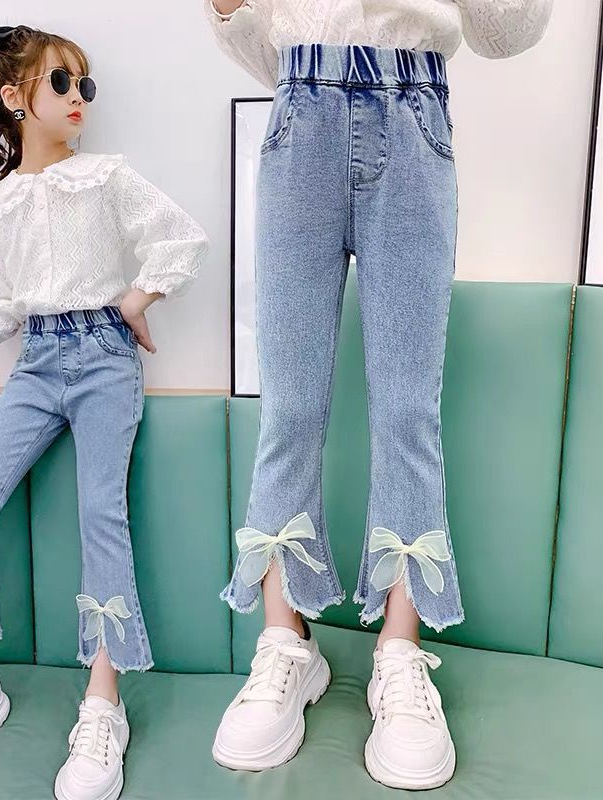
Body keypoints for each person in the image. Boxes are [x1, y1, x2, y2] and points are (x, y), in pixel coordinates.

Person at [204, 0, 553, 789]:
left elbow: (507, 33)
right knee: (289, 409)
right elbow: (269, 48)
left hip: (414, 110)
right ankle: (286, 642)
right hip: (300, 112)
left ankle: (398, 648)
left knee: (406, 410)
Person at [0, 24, 208, 800]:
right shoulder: (0, 201)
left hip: (105, 358)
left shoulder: (107, 176)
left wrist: (136, 299)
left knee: (99, 516)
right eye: (62, 82)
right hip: (37, 360)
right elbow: (1, 298)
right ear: (16, 96)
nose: (78, 97)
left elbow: (180, 240)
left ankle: (103, 705)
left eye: (86, 84)